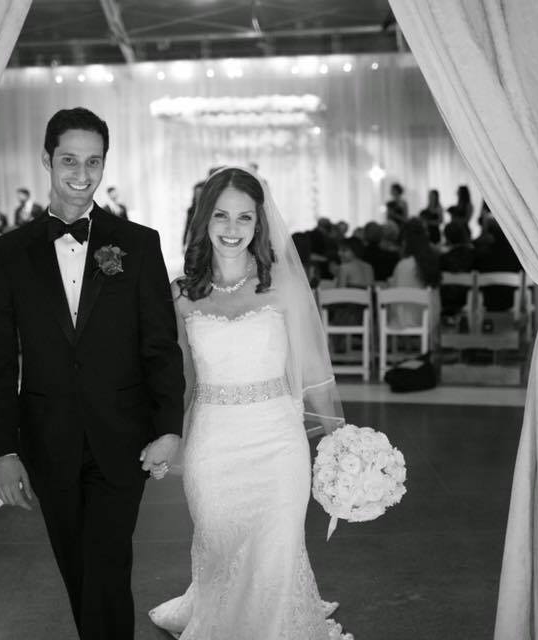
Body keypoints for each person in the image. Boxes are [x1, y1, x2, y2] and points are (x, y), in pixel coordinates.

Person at [0, 107, 184, 639]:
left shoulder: (138, 243)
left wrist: (168, 428)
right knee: (77, 565)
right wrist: (3, 450)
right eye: (69, 159)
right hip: (47, 438)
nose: (81, 172)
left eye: (93, 161)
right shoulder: (9, 251)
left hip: (124, 436)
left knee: (107, 561)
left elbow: (160, 346)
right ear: (47, 160)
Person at [149, 167, 352, 640]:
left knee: (277, 551)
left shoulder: (284, 286)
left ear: (259, 223)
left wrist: (343, 446)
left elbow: (316, 377)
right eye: (221, 215)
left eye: (244, 217)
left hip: (279, 445)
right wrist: (165, 438)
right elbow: (179, 381)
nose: (232, 228)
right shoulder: (181, 294)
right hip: (213, 448)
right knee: (223, 553)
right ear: (204, 219)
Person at [389, 219, 441, 330]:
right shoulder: (431, 262)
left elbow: (395, 295)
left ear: (405, 242)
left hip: (403, 320)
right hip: (429, 319)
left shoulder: (403, 265)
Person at [439, 220, 476, 321]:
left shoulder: (443, 259)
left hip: (446, 301)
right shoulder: (474, 256)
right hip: (468, 299)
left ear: (447, 238)